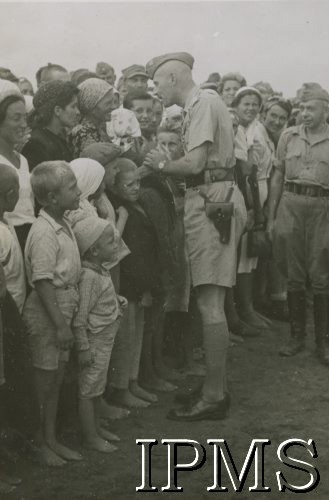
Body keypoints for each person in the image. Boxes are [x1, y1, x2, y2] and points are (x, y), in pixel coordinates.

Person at [144, 52, 246, 421]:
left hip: (211, 202)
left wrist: (158, 164)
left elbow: (195, 164)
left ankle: (214, 396)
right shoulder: (203, 104)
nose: (155, 90)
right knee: (210, 300)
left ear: (173, 78)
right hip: (211, 200)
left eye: (157, 83)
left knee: (209, 303)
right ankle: (213, 389)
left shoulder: (202, 103)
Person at [23, 161, 82, 466]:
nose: (79, 191)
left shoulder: (64, 224)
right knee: (43, 381)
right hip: (49, 313)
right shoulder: (43, 231)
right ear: (51, 198)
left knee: (57, 379)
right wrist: (60, 326)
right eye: (71, 187)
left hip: (63, 309)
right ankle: (39, 442)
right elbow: (43, 281)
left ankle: (51, 439)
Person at [266, 83, 329, 364]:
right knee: (293, 273)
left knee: (320, 275)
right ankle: (296, 338)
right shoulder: (288, 137)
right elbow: (277, 178)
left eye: (311, 108)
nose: (305, 113)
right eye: (301, 108)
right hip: (290, 205)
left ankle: (323, 344)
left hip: (322, 209)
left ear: (325, 111)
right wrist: (271, 216)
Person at [107, 158, 163, 407]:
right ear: (116, 187)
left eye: (137, 182)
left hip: (141, 282)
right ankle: (121, 389)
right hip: (128, 283)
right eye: (129, 184)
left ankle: (133, 382)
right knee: (126, 338)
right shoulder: (120, 211)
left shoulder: (137, 206)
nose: (135, 188)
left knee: (136, 335)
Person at [73, 217, 127, 453]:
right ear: (94, 250)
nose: (115, 244)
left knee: (97, 387)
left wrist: (117, 301)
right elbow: (80, 318)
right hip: (93, 344)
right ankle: (90, 436)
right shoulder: (90, 277)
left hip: (104, 343)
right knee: (88, 390)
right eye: (109, 241)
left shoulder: (101, 271)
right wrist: (83, 348)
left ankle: (95, 427)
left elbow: (101, 303)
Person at [232, 86, 274, 330]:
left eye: (254, 104)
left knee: (251, 256)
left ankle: (249, 308)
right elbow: (245, 169)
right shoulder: (237, 130)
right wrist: (252, 206)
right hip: (246, 194)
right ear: (237, 106)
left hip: (259, 191)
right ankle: (243, 311)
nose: (250, 108)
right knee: (243, 257)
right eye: (245, 103)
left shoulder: (259, 129)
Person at [0, 79, 35, 250]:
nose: (23, 124)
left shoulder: (22, 160)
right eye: (16, 118)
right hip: (7, 241)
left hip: (29, 238)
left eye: (25, 117)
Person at [22, 81, 80, 171]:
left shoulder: (57, 135)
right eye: (73, 106)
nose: (78, 112)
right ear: (57, 110)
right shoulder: (36, 144)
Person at [71, 78, 115, 158]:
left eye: (113, 101)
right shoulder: (83, 133)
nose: (113, 107)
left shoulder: (100, 127)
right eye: (108, 103)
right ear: (91, 106)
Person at [123, 91, 157, 163]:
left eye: (149, 111)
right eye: (139, 111)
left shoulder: (150, 135)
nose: (145, 116)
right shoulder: (124, 140)